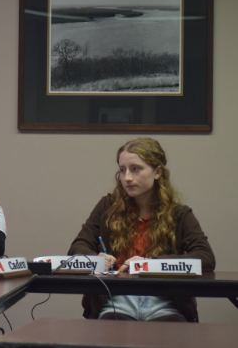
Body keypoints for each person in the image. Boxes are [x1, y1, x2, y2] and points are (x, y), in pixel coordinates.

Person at [68, 137, 215, 322]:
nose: (127, 177)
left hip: (165, 302)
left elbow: (206, 258)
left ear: (157, 172)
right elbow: (77, 247)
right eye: (122, 170)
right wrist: (95, 259)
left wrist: (149, 264)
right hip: (117, 299)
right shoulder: (107, 206)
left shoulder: (178, 213)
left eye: (135, 169)